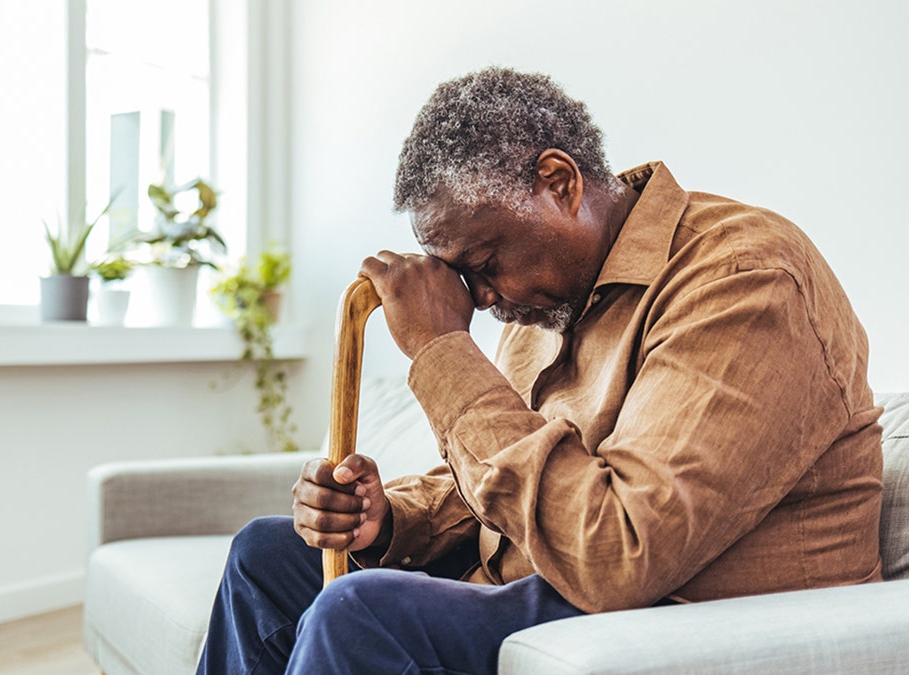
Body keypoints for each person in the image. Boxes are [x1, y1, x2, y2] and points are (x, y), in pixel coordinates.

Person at [196, 66, 884, 674]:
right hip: (560, 586)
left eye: (486, 263)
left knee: (360, 612)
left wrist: (443, 352)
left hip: (675, 614)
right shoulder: (547, 308)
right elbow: (503, 492)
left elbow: (620, 550)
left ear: (559, 182)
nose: (484, 298)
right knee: (264, 555)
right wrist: (387, 519)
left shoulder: (741, 277)